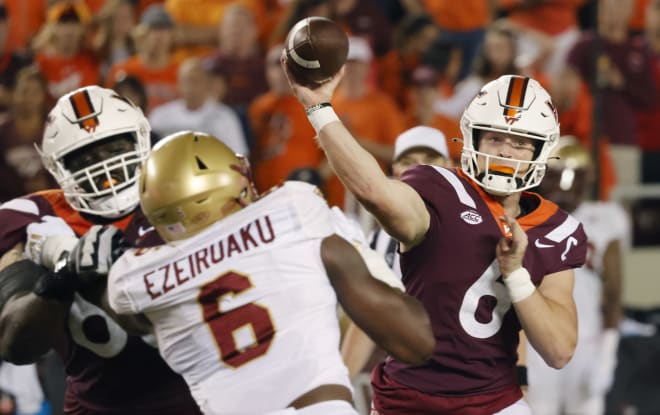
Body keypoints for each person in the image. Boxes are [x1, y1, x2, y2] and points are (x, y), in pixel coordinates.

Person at [282, 63, 588, 414]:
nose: (505, 152)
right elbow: (375, 192)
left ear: (540, 151)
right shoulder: (439, 189)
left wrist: (516, 273)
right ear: (473, 138)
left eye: (519, 142)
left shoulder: (556, 229)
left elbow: (559, 349)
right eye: (495, 137)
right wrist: (320, 110)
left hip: (495, 401)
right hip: (410, 398)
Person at [69, 131, 435, 415]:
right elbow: (417, 343)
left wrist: (83, 272)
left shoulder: (135, 278)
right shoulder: (293, 212)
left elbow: (124, 309)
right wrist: (354, 250)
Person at [0, 85, 202, 414]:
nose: (105, 169)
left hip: (204, 397)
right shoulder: (34, 218)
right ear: (57, 167)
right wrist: (60, 281)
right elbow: (15, 344)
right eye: (86, 158)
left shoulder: (192, 190)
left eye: (114, 149)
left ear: (140, 140)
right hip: (100, 406)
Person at [526, 138, 629, 415]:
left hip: (588, 341)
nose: (564, 186)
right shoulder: (527, 216)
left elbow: (614, 294)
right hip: (538, 339)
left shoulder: (604, 219)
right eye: (556, 176)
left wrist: (606, 356)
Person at [341, 126, 451, 380]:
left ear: (450, 166)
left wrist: (519, 377)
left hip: (473, 376)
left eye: (430, 160)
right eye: (409, 162)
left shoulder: (478, 224)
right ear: (394, 172)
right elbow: (369, 317)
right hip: (409, 377)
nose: (421, 169)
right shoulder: (378, 241)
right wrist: (341, 385)